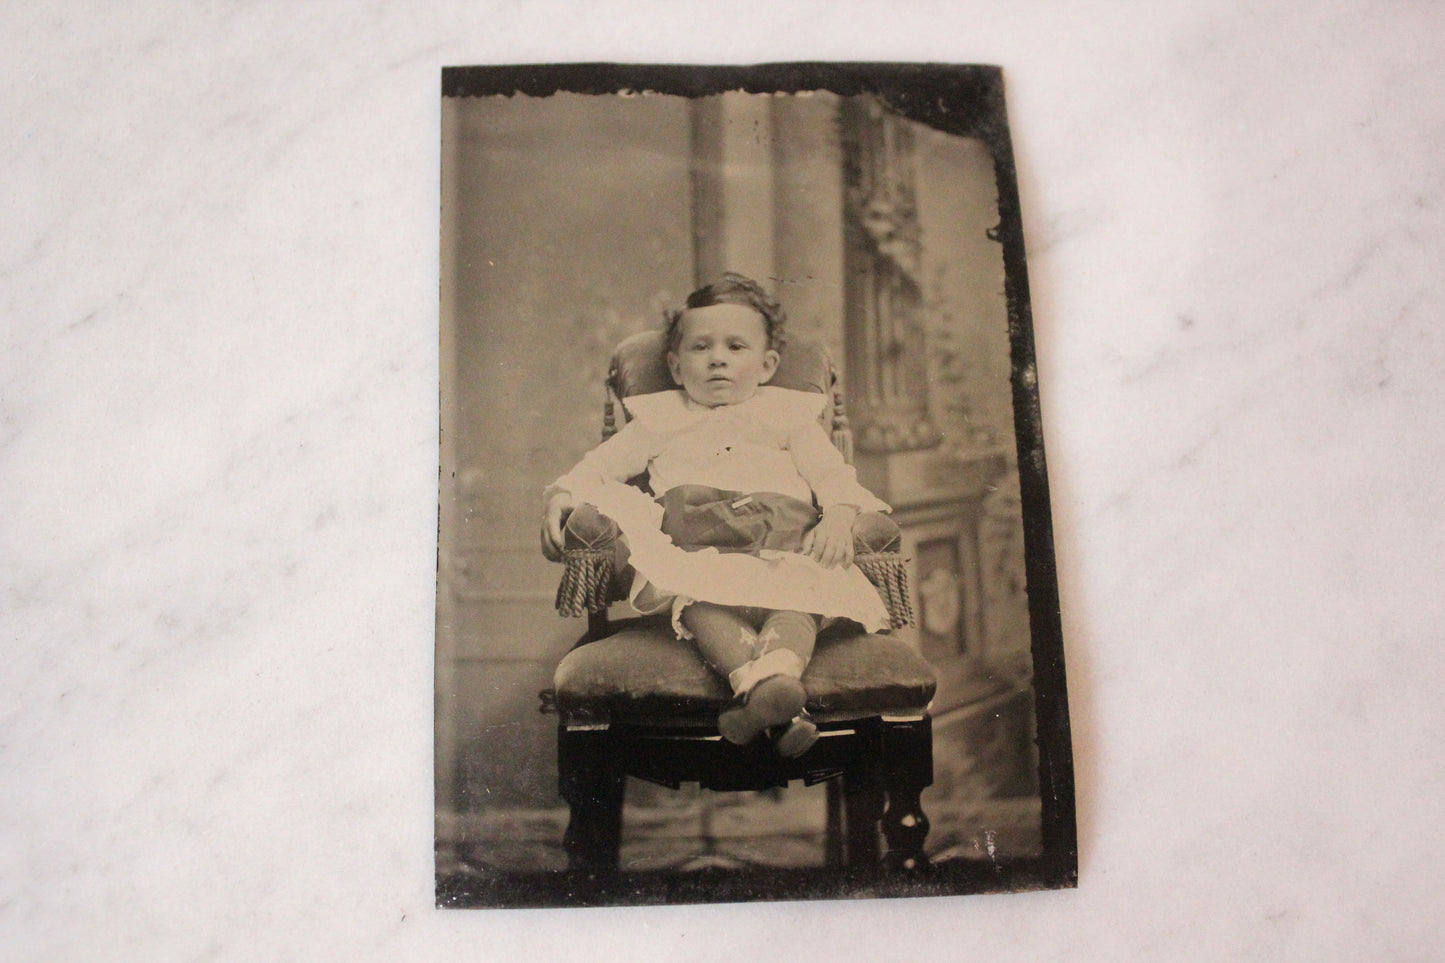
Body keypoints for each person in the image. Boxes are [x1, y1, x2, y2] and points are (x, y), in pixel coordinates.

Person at [541, 274, 892, 758]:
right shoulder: (659, 422)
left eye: (735, 346)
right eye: (701, 347)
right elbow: (598, 469)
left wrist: (839, 515)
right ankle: (778, 699)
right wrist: (560, 494)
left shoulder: (790, 420)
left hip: (784, 547)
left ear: (767, 365)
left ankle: (762, 691)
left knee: (799, 604)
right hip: (702, 552)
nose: (718, 358)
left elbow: (833, 475)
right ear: (676, 365)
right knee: (702, 606)